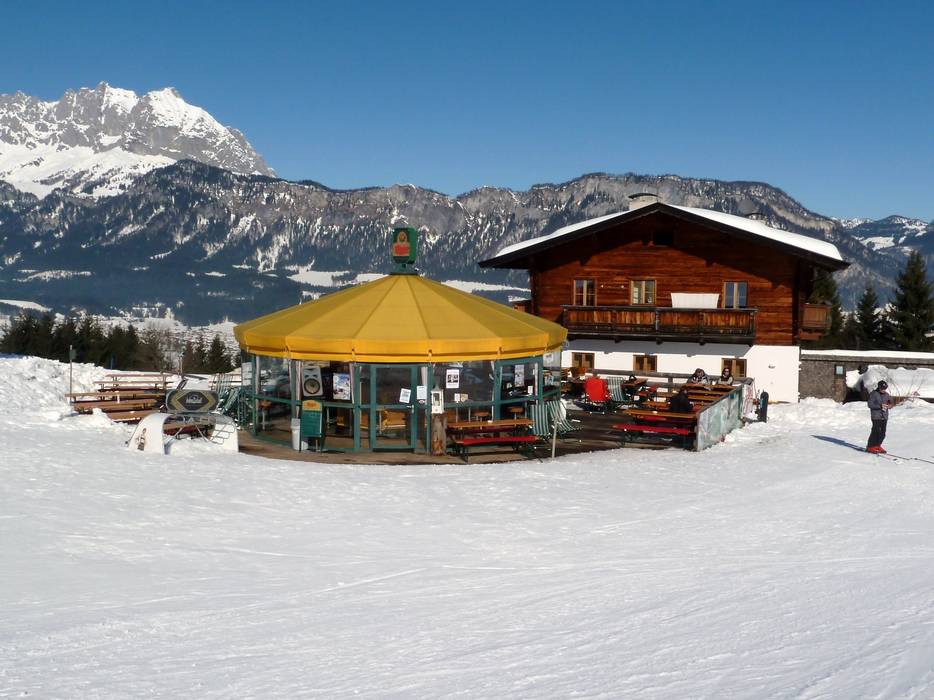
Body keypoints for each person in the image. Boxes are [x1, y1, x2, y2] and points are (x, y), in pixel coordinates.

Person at [866, 380, 894, 454]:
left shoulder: (887, 395)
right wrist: (880, 406)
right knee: (875, 431)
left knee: (883, 432)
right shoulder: (873, 394)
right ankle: (870, 446)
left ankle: (877, 445)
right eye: (882, 388)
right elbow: (870, 404)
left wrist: (890, 405)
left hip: (884, 416)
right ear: (879, 387)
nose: (883, 390)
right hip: (876, 416)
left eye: (885, 388)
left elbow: (891, 402)